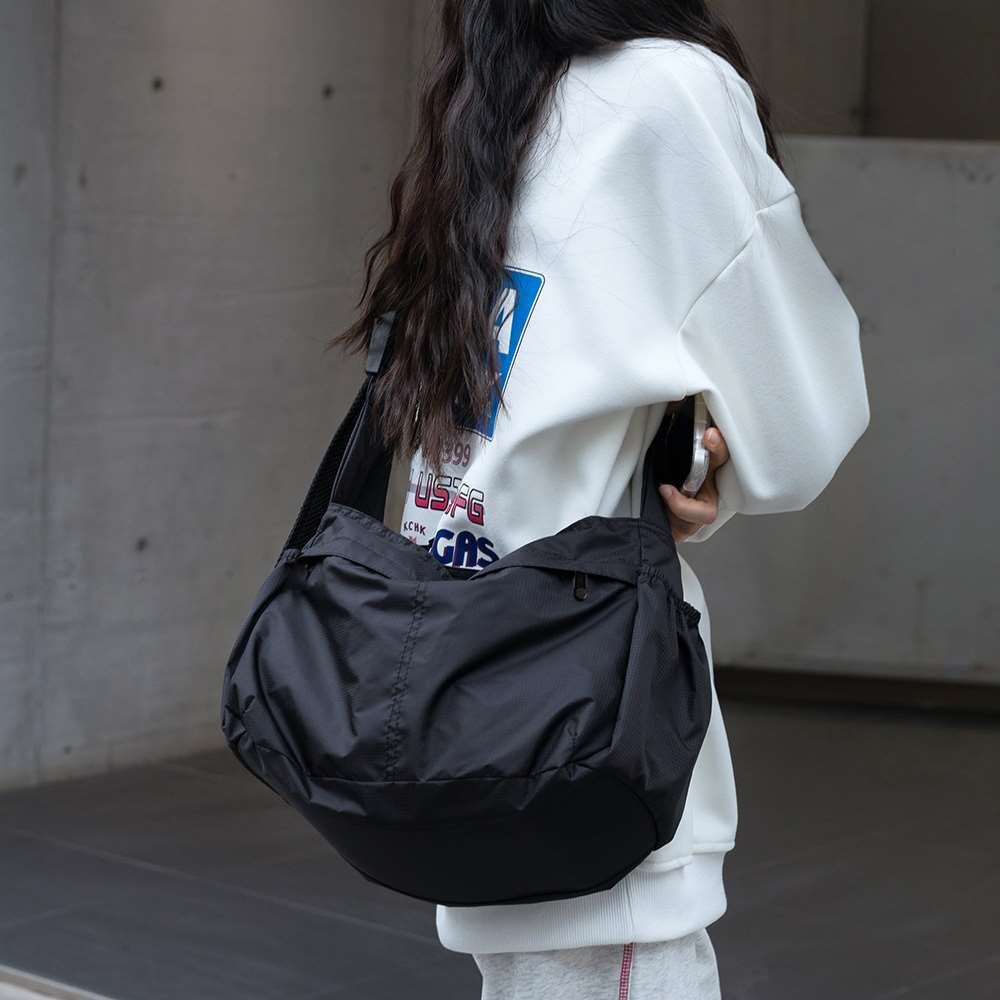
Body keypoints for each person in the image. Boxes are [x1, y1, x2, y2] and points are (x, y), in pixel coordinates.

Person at [329, 2, 870, 997]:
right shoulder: (669, 88)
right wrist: (717, 471)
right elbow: (801, 424)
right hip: (587, 726)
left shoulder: (495, 92)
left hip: (461, 688)